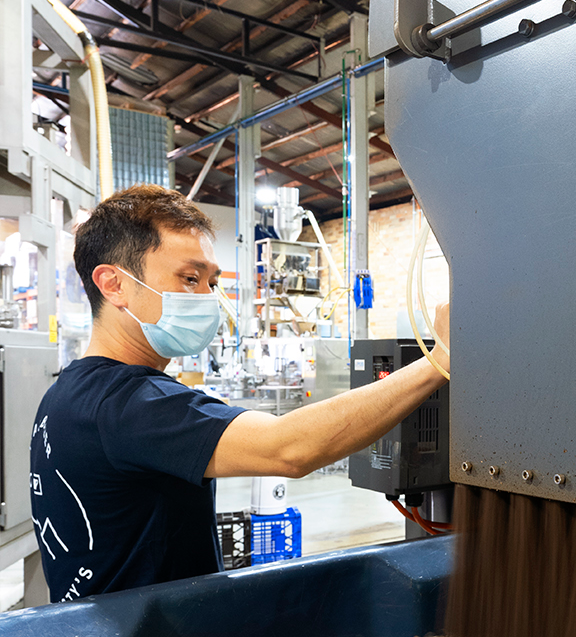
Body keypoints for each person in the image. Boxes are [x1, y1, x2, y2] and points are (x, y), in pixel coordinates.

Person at [29, 184, 448, 604]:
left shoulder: (68, 392)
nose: (209, 299)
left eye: (211, 282)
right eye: (189, 279)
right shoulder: (127, 403)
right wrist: (439, 361)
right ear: (113, 284)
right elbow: (289, 448)